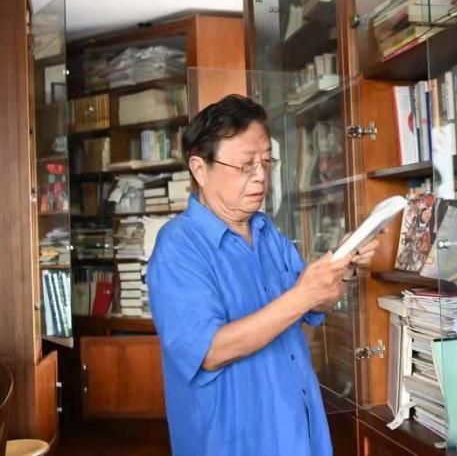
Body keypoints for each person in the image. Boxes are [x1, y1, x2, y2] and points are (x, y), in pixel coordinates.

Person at [147, 94, 381, 456]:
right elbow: (209, 351)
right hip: (235, 441)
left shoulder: (266, 231)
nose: (261, 176)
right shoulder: (178, 246)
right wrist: (304, 294)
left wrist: (343, 267)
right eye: (245, 165)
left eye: (266, 162)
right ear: (199, 168)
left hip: (298, 430)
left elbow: (310, 307)